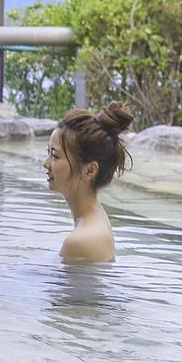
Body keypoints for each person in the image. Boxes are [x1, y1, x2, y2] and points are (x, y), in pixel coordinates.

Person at [43, 101, 133, 262]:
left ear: (90, 170)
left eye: (55, 156)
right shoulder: (95, 217)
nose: (46, 163)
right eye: (48, 152)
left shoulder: (80, 241)